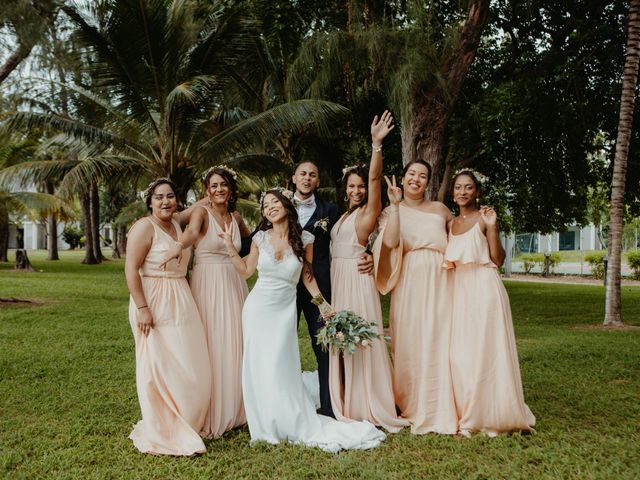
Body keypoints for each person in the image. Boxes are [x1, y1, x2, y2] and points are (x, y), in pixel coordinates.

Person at [218, 189, 385, 452]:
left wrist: (323, 305)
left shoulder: (305, 238)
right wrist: (230, 248)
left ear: (286, 205)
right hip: (259, 308)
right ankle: (265, 419)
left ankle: (286, 414)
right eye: (265, 205)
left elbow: (307, 276)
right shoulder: (260, 238)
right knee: (261, 363)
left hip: (284, 311)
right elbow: (247, 271)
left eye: (274, 202)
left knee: (282, 362)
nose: (269, 207)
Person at [328, 111, 407, 432]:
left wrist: (376, 145)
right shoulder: (343, 216)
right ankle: (347, 396)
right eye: (353, 186)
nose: (358, 190)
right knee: (343, 337)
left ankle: (368, 400)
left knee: (361, 337)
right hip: (339, 279)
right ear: (345, 189)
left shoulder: (368, 213)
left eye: (361, 186)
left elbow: (376, 180)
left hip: (357, 281)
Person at [160, 166, 250, 438]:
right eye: (213, 185)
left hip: (235, 283)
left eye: (223, 184)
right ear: (207, 191)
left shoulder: (236, 216)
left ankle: (239, 407)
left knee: (236, 341)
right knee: (211, 343)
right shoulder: (201, 212)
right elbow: (190, 232)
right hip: (207, 283)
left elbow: (251, 238)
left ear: (231, 189)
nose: (219, 189)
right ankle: (209, 410)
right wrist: (179, 245)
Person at [444, 170, 536, 436]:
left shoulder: (485, 219)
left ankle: (491, 413)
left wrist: (493, 226)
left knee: (487, 350)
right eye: (458, 187)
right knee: (460, 354)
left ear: (477, 192)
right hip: (459, 290)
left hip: (484, 286)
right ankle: (466, 409)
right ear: (453, 193)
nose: (463, 192)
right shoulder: (451, 224)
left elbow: (497, 259)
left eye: (469, 187)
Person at [124, 178, 211, 455]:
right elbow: (130, 269)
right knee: (157, 364)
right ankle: (162, 426)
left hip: (181, 296)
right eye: (159, 197)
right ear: (149, 202)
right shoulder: (143, 228)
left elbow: (202, 205)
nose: (165, 202)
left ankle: (186, 418)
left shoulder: (176, 223)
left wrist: (214, 191)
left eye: (170, 196)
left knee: (189, 359)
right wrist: (142, 308)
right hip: (153, 298)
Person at [372, 161, 458, 435]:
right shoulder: (391, 210)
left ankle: (441, 401)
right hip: (409, 278)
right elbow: (390, 242)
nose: (416, 179)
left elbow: (460, 237)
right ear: (404, 178)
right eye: (412, 174)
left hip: (441, 277)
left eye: (422, 176)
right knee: (409, 338)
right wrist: (395, 206)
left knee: (440, 336)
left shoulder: (441, 210)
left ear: (428, 182)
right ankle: (410, 401)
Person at [290, 160, 374, 418]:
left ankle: (329, 405)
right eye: (302, 174)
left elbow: (349, 237)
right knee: (282, 344)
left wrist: (369, 253)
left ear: (317, 182)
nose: (307, 178)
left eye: (312, 175)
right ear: (294, 178)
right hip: (285, 289)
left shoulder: (332, 210)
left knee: (325, 346)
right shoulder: (277, 205)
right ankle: (285, 404)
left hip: (320, 287)